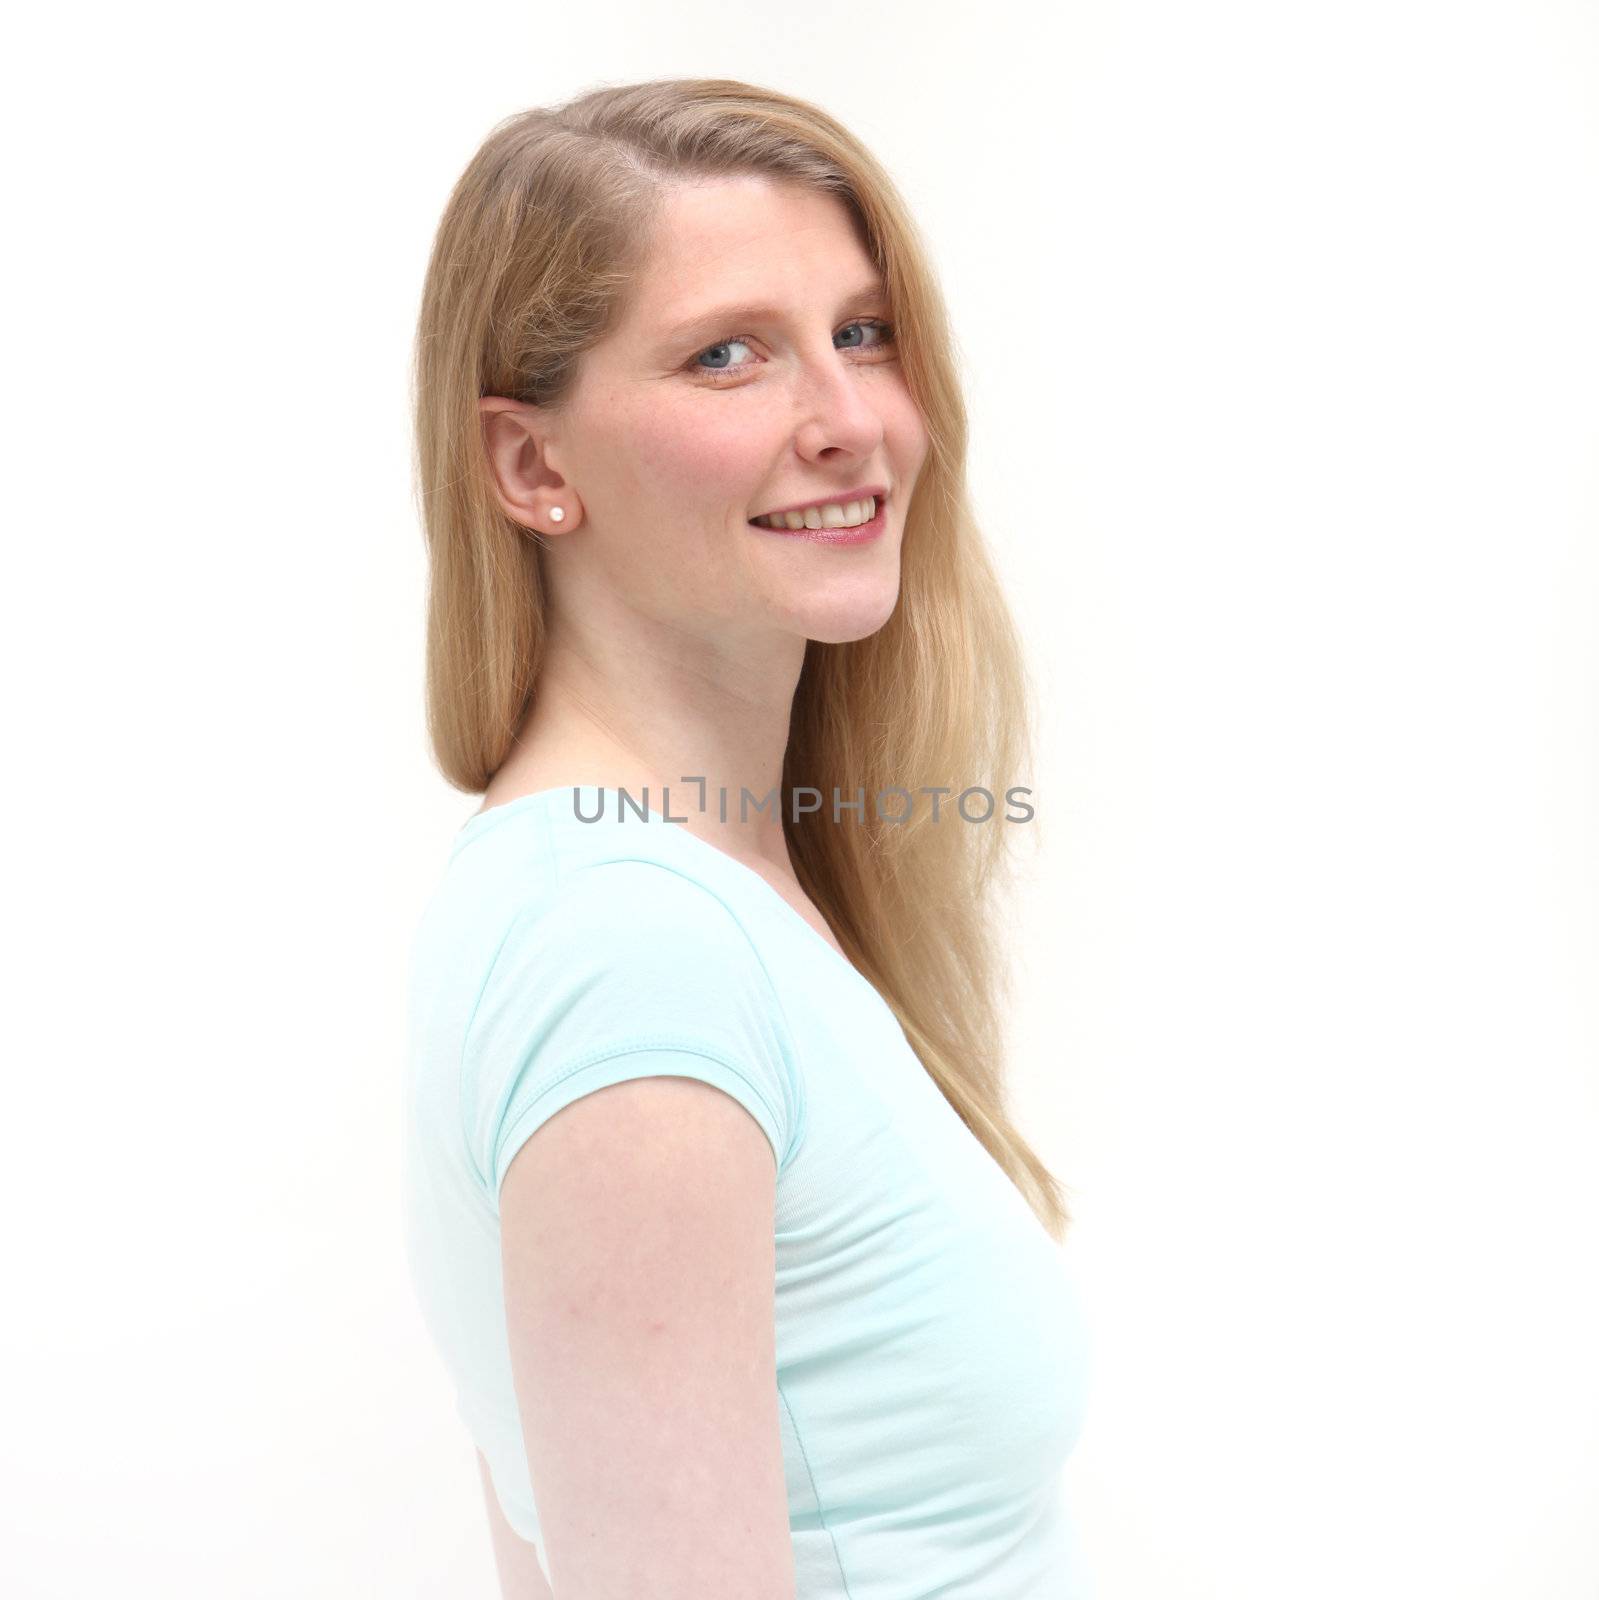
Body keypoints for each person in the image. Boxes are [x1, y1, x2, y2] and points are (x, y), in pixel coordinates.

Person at [403, 77, 1094, 1599]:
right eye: (729, 356)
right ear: (532, 468)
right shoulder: (631, 954)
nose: (849, 424)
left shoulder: (673, 893)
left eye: (860, 333)